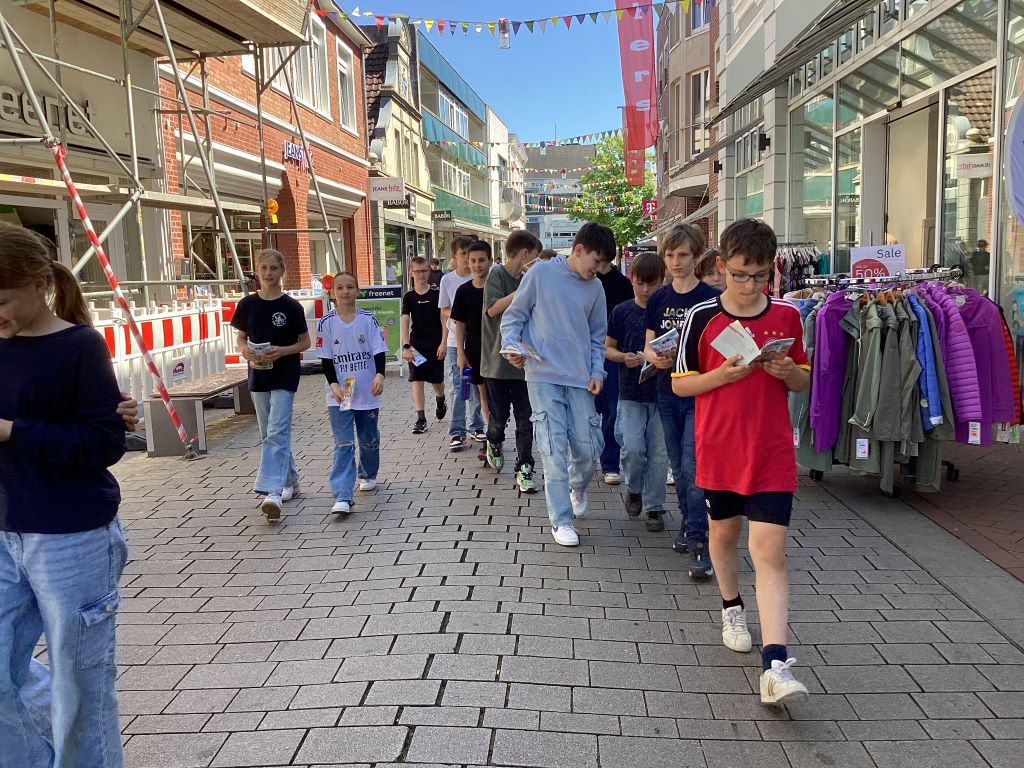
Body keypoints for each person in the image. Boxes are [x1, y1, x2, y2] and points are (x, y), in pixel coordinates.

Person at [0, 221, 128, 766]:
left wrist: (13, 431)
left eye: (1, 301)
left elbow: (104, 442)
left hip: (71, 535)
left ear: (38, 283)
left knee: (79, 685)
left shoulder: (78, 346)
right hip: (4, 532)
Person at [672, 218, 811, 705]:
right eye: (740, 275)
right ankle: (731, 606)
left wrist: (788, 371)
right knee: (724, 537)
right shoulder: (702, 317)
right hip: (720, 450)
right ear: (721, 266)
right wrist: (723, 376)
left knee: (770, 553)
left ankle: (775, 665)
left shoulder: (789, 316)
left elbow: (803, 381)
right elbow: (680, 384)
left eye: (760, 276)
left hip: (771, 452)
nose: (750, 286)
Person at [501, 222, 614, 547]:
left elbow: (598, 337)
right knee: (552, 448)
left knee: (587, 448)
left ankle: (577, 487)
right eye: (596, 261)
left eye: (604, 264)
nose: (598, 269)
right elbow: (513, 317)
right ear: (578, 250)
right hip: (542, 374)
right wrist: (512, 346)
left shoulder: (596, 288)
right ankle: (560, 520)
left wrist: (597, 372)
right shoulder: (540, 274)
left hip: (580, 378)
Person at [644, 223, 718, 572]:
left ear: (697, 256)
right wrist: (655, 357)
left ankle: (700, 537)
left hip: (698, 392)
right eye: (670, 255)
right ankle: (690, 524)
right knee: (677, 464)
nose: (676, 261)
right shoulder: (658, 298)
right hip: (666, 390)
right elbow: (647, 345)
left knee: (692, 465)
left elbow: (717, 349)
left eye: (683, 255)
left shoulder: (710, 299)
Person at [232, 249, 310, 521]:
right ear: (257, 270)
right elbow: (241, 338)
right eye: (263, 268)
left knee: (277, 430)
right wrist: (244, 350)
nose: (268, 273)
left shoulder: (291, 307)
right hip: (258, 375)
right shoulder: (247, 304)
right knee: (268, 433)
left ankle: (272, 491)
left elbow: (305, 342)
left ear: (282, 271)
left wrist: (283, 351)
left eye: (273, 268)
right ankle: (290, 480)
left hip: (285, 374)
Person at [606, 252, 669, 530]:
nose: (645, 290)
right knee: (632, 448)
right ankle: (634, 488)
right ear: (631, 280)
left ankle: (655, 506)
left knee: (659, 455)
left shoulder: (667, 311)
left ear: (662, 281)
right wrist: (623, 357)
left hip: (663, 393)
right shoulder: (622, 311)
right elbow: (607, 348)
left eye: (652, 284)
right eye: (640, 283)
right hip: (631, 392)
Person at [317, 272, 388, 514]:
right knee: (343, 442)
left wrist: (380, 375)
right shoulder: (326, 323)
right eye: (340, 288)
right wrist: (333, 385)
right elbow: (326, 359)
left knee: (368, 438)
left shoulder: (368, 320)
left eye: (350, 287)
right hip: (339, 393)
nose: (345, 292)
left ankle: (367, 473)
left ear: (357, 290)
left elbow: (378, 350)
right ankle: (343, 495)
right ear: (333, 292)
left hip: (367, 390)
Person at [482, 230, 542, 493]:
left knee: (525, 419)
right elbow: (492, 309)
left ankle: (525, 467)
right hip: (496, 363)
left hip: (526, 364)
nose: (535, 262)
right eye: (534, 257)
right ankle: (493, 441)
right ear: (525, 253)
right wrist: (522, 291)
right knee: (498, 418)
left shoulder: (533, 278)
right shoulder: (497, 274)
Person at [439, 235, 485, 450]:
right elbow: (443, 310)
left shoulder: (481, 277)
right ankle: (457, 431)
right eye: (463, 254)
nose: (467, 259)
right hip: (454, 341)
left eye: (470, 254)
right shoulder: (448, 280)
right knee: (459, 386)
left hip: (477, 340)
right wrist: (459, 316)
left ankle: (477, 426)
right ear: (454, 256)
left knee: (476, 385)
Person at [451, 241, 492, 448]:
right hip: (475, 351)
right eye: (473, 261)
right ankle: (492, 436)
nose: (477, 265)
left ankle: (495, 432)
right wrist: (460, 353)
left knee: (497, 396)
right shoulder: (463, 291)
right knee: (482, 394)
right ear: (467, 262)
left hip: (497, 351)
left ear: (490, 261)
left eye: (481, 260)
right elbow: (460, 324)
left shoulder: (498, 288)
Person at [401, 257, 447, 434]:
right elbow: (405, 321)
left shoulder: (437, 294)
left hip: (435, 344)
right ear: (411, 273)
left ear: (429, 271)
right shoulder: (409, 297)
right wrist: (406, 346)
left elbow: (444, 320)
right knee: (417, 379)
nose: (421, 274)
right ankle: (421, 419)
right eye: (417, 271)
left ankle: (441, 399)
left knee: (437, 381)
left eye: (424, 271)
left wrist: (443, 342)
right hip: (416, 346)